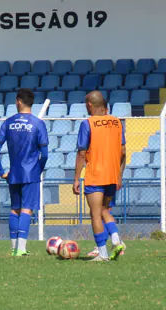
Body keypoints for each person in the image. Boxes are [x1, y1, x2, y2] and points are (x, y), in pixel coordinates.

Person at [0, 88, 48, 256]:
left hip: (14, 173)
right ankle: (21, 249)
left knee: (15, 209)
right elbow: (44, 154)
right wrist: (37, 170)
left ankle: (14, 248)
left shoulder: (8, 123)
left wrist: (1, 172)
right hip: (31, 173)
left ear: (18, 101)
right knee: (26, 209)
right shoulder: (38, 124)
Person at [73, 91, 126, 262]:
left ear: (89, 105)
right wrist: (119, 175)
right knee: (104, 210)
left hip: (96, 175)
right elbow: (123, 151)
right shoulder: (117, 123)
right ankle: (116, 239)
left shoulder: (88, 123)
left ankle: (102, 253)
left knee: (95, 214)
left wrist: (76, 178)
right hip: (112, 175)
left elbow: (82, 153)